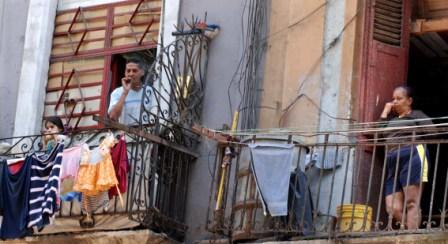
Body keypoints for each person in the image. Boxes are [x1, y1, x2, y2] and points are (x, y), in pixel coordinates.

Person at [379, 86, 432, 230]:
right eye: (393, 99)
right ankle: (411, 231)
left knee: (412, 202)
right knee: (392, 207)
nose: (394, 102)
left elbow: (433, 131)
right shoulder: (391, 121)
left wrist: (414, 131)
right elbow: (377, 133)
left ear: (409, 101)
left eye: (399, 98)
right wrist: (385, 112)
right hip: (392, 160)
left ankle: (411, 237)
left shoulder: (417, 115)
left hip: (413, 154)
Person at [108, 59, 153, 125]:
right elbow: (113, 117)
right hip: (127, 133)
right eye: (128, 71)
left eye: (134, 71)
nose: (131, 74)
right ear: (125, 73)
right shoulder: (117, 92)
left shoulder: (150, 91)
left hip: (148, 133)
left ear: (142, 72)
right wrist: (125, 92)